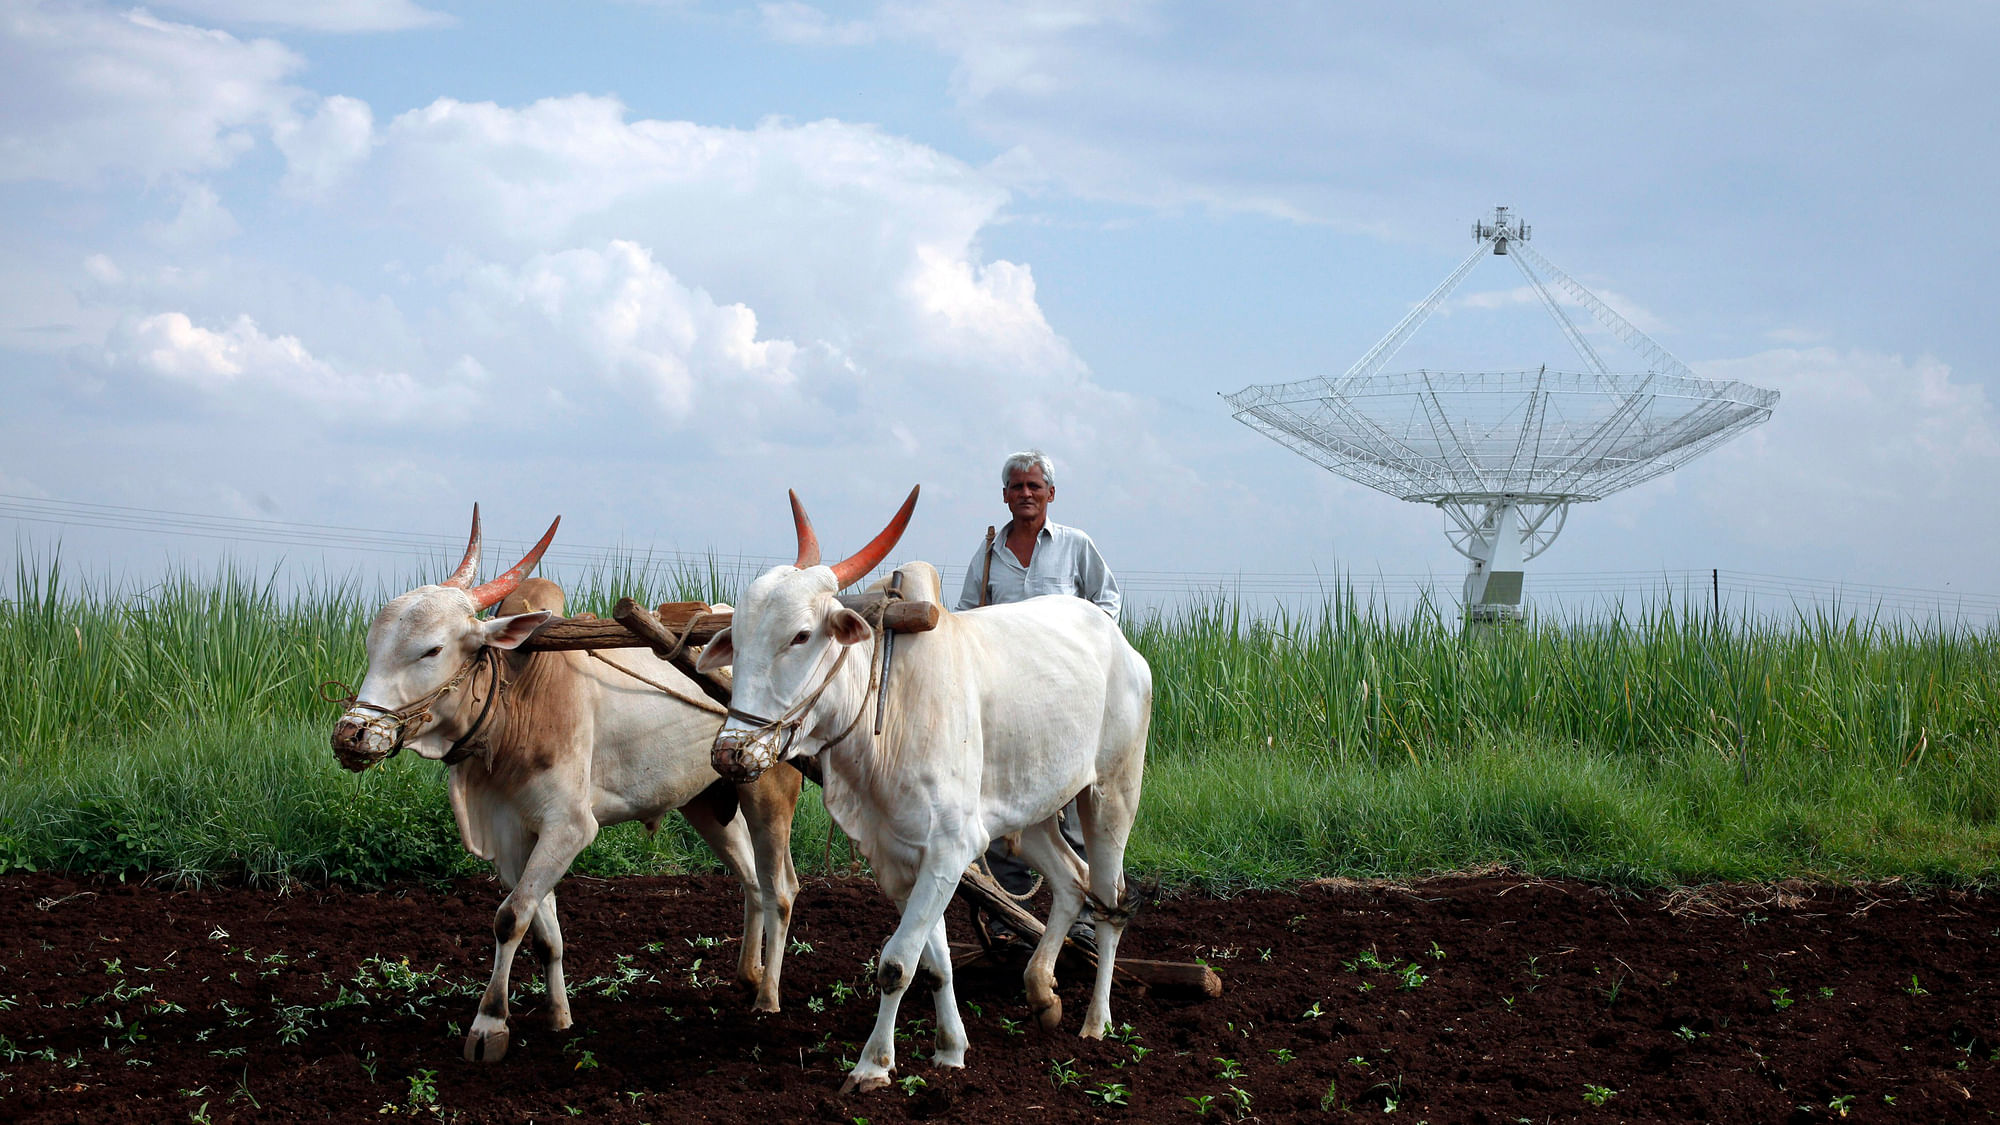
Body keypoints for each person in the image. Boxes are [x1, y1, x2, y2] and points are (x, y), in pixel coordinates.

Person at [957, 450, 1121, 952]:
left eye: (1034, 486)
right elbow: (965, 616)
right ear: (1004, 496)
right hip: (1005, 702)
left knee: (1069, 807)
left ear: (1051, 493)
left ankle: (1086, 923)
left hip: (1061, 700)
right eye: (1016, 487)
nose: (1025, 494)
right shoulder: (988, 554)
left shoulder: (1075, 547)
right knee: (1006, 812)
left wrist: (1091, 657)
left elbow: (1108, 601)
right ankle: (1011, 921)